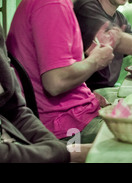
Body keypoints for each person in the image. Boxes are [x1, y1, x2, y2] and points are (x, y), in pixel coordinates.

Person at [6, 0, 115, 143]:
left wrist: (87, 58)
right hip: (67, 129)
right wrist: (95, 62)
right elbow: (55, 82)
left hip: (73, 118)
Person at [0, 23, 91, 162]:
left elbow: (15, 110)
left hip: (35, 144)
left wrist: (54, 148)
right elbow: (55, 83)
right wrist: (66, 153)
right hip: (64, 126)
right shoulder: (52, 4)